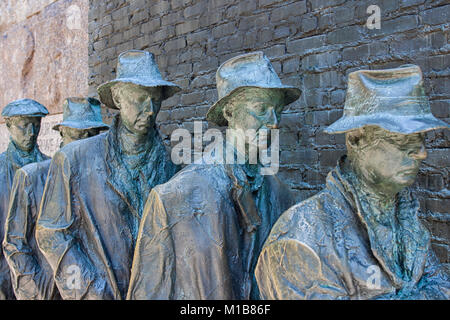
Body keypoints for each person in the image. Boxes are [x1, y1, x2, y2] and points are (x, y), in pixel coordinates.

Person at [255, 65, 450, 300]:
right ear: (355, 138)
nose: (421, 153)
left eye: (420, 139)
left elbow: (442, 287)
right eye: (401, 139)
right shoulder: (302, 237)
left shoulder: (407, 222)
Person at [127, 51, 300, 300]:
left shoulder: (282, 198)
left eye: (278, 110)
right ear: (229, 112)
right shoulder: (175, 197)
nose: (274, 121)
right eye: (261, 108)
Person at [35, 50, 180, 299]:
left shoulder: (174, 164)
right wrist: (88, 289)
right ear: (118, 98)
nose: (148, 109)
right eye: (139, 97)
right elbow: (52, 233)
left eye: (155, 99)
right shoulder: (74, 160)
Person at [3, 97, 109, 300]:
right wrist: (34, 291)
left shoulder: (98, 180)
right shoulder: (32, 176)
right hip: (47, 289)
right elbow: (15, 244)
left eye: (91, 135)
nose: (83, 143)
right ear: (63, 133)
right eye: (77, 135)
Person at [0, 99, 49, 300]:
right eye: (23, 126)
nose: (31, 133)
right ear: (9, 126)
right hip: (5, 271)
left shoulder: (49, 167)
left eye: (35, 125)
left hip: (43, 273)